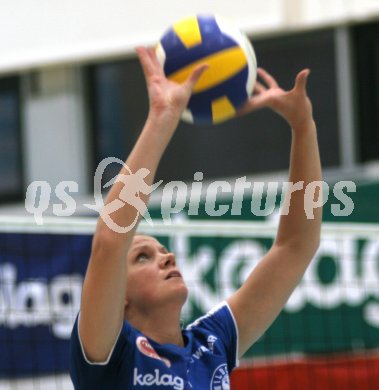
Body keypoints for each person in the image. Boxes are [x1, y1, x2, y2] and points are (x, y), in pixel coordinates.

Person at [70, 47, 322, 389]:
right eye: (143, 256)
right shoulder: (111, 355)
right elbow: (111, 240)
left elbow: (295, 246)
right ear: (119, 295)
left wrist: (303, 126)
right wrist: (163, 115)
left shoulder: (211, 344)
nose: (167, 257)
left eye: (161, 250)